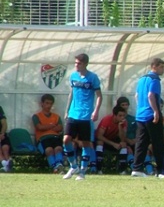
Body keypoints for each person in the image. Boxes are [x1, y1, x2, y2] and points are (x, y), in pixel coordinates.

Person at [62, 53, 102, 181]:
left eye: (78, 63)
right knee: (66, 139)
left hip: (86, 115)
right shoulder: (73, 76)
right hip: (73, 114)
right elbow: (72, 93)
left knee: (86, 143)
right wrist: (67, 110)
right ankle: (73, 166)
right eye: (75, 63)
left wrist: (96, 111)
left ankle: (83, 171)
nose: (76, 65)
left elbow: (99, 96)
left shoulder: (93, 77)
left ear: (85, 64)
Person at [131, 57, 164, 178]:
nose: (163, 69)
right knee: (158, 143)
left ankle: (137, 169)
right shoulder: (155, 79)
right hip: (151, 115)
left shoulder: (141, 79)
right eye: (161, 67)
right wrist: (156, 111)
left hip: (140, 115)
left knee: (141, 143)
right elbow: (151, 95)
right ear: (154, 66)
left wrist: (141, 107)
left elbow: (136, 96)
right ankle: (161, 171)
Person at [32, 94, 64, 173]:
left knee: (58, 148)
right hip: (43, 138)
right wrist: (51, 126)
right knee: (49, 150)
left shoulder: (56, 116)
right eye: (47, 103)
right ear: (42, 103)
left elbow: (60, 128)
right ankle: (54, 167)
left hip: (55, 137)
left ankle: (59, 165)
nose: (49, 106)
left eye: (50, 103)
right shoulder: (36, 116)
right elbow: (39, 127)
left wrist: (46, 126)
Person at [95, 105, 132, 174]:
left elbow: (123, 139)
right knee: (100, 142)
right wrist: (113, 144)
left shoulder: (124, 122)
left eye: (123, 116)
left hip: (115, 141)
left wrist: (120, 126)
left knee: (123, 144)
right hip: (106, 141)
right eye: (120, 116)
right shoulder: (107, 120)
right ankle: (98, 169)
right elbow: (99, 136)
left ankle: (122, 170)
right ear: (114, 115)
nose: (122, 117)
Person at [0, 105, 13, 172]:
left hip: (1, 134)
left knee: (5, 147)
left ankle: (6, 165)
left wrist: (1, 134)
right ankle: (6, 164)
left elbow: (4, 124)